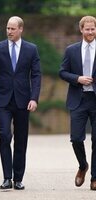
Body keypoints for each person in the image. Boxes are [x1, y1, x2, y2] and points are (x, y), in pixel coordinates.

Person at [0, 16, 41, 190]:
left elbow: (36, 75)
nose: (9, 31)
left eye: (12, 29)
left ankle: (18, 179)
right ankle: (7, 177)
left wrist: (34, 98)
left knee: (21, 140)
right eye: (7, 28)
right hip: (3, 100)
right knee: (5, 135)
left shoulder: (31, 49)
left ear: (21, 29)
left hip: (23, 100)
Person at [59, 16, 96, 190]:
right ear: (81, 30)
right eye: (87, 29)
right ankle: (83, 166)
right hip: (78, 100)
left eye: (93, 29)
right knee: (76, 138)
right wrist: (78, 78)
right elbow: (62, 72)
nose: (90, 32)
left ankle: (95, 178)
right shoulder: (71, 50)